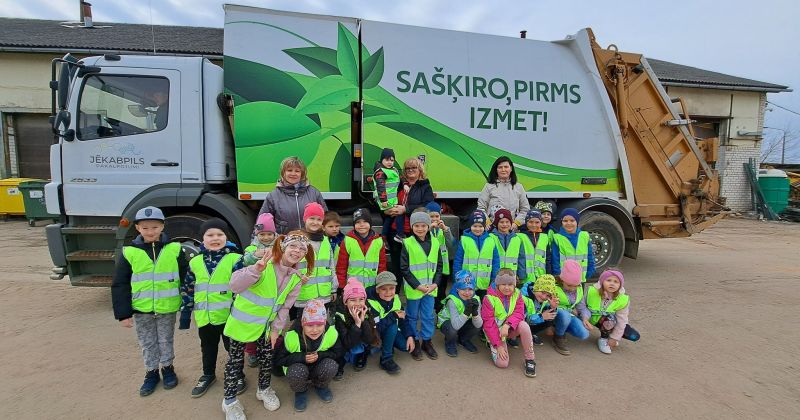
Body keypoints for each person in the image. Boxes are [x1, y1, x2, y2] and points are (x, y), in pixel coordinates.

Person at [220, 231, 314, 419]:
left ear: (305, 254)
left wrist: (276, 330)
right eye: (293, 246)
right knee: (234, 363)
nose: (297, 251)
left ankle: (263, 389)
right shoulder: (265, 265)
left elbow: (285, 307)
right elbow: (234, 286)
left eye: (302, 249)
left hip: (266, 329)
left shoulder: (296, 278)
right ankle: (229, 402)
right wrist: (255, 270)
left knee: (266, 359)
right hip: (241, 325)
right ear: (283, 247)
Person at [111, 206, 187, 397]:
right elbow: (120, 283)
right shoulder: (130, 252)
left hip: (167, 308)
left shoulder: (174, 249)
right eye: (145, 228)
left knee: (165, 340)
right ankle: (151, 373)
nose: (150, 231)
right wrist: (123, 314)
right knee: (148, 342)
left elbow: (186, 277)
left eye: (155, 227)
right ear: (137, 228)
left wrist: (188, 302)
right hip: (141, 309)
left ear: (162, 226)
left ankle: (168, 369)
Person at [179, 218, 244, 398]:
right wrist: (185, 314)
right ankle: (208, 374)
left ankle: (239, 375)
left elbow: (242, 289)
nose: (215, 238)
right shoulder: (195, 262)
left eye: (219, 234)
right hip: (205, 317)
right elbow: (188, 288)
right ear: (203, 238)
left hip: (229, 317)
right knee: (208, 348)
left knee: (233, 348)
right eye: (210, 235)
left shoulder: (235, 259)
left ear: (226, 237)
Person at [274, 299, 343, 412]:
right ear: (303, 324)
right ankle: (300, 391)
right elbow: (279, 360)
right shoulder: (291, 336)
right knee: (295, 371)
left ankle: (320, 385)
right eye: (310, 325)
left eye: (319, 325)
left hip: (318, 366)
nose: (315, 330)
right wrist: (302, 357)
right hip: (299, 368)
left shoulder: (331, 333)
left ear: (324, 323)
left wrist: (320, 355)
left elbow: (338, 353)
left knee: (331, 366)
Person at [400, 211, 442, 360]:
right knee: (412, 316)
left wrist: (435, 284)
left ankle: (427, 341)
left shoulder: (436, 242)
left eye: (423, 225)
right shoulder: (407, 243)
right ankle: (415, 342)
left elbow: (439, 266)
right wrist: (418, 286)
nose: (420, 229)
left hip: (430, 289)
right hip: (415, 290)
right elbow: (404, 268)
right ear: (412, 227)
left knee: (428, 316)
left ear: (429, 226)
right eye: (416, 226)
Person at [480, 269, 537, 377]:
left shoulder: (517, 294)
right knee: (502, 364)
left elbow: (519, 313)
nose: (507, 288)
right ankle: (493, 344)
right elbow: (488, 324)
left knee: (524, 326)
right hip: (496, 334)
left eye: (510, 284)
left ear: (514, 284)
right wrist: (498, 345)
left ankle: (530, 359)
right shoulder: (488, 299)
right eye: (503, 284)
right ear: (497, 284)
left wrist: (507, 325)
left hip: (509, 329)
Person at [258, 156, 327, 235]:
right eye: (289, 170)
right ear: (283, 173)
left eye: (297, 171)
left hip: (311, 240)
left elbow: (326, 218)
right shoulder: (273, 196)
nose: (293, 174)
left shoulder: (314, 193)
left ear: (302, 174)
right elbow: (261, 222)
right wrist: (255, 241)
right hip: (285, 240)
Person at [242, 212, 278, 367]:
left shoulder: (279, 247)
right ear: (257, 234)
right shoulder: (252, 248)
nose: (266, 237)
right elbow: (245, 260)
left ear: (274, 234)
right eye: (262, 234)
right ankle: (251, 351)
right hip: (256, 292)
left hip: (273, 290)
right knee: (253, 323)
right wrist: (256, 254)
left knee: (272, 323)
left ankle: (269, 350)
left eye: (269, 234)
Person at [366, 272, 416, 374]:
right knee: (392, 326)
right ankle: (386, 359)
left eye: (391, 288)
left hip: (387, 330)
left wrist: (410, 336)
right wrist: (393, 316)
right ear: (377, 289)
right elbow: (375, 327)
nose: (388, 292)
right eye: (384, 289)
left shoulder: (396, 299)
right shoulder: (370, 302)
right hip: (375, 333)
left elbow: (404, 320)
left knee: (405, 346)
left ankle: (387, 344)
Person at [292, 203, 336, 317]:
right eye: (312, 218)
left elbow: (331, 266)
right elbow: (288, 266)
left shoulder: (325, 240)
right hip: (304, 297)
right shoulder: (297, 239)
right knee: (302, 325)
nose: (315, 222)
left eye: (319, 219)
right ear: (305, 219)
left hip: (324, 296)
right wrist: (298, 277)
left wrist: (333, 289)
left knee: (322, 325)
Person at [583, 268, 640, 354]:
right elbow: (581, 306)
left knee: (634, 336)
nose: (612, 284)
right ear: (602, 281)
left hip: (608, 322)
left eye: (616, 282)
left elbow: (622, 320)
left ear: (620, 285)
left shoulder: (623, 299)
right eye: (608, 280)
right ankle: (604, 339)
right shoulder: (592, 291)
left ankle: (605, 337)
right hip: (589, 318)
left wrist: (614, 338)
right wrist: (584, 318)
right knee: (609, 320)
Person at [332, 278, 377, 380]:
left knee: (371, 346)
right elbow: (347, 343)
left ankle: (362, 355)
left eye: (361, 299)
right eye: (352, 300)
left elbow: (370, 339)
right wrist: (357, 324)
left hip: (360, 340)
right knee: (340, 347)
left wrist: (363, 321)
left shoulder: (367, 310)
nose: (357, 303)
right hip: (347, 342)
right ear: (345, 302)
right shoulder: (339, 315)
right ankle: (340, 364)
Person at [453, 210, 500, 300]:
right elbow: (458, 261)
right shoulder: (464, 240)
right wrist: (457, 278)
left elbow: (496, 262)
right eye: (475, 226)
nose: (477, 229)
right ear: (470, 226)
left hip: (485, 283)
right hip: (467, 283)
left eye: (480, 226)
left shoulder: (491, 240)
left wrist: (494, 279)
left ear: (484, 227)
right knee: (469, 304)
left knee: (485, 304)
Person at [335, 208, 386, 290]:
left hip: (372, 286)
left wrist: (382, 283)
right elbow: (341, 266)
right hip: (353, 287)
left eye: (365, 221)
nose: (362, 225)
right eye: (358, 222)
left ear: (370, 223)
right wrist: (341, 286)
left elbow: (382, 266)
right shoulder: (347, 241)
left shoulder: (378, 241)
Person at [437, 270, 483, 357]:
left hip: (462, 321)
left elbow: (478, 325)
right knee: (452, 330)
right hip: (448, 322)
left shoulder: (476, 299)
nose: (467, 293)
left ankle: (464, 340)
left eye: (470, 289)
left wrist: (475, 313)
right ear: (457, 288)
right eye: (463, 289)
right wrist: (467, 312)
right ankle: (450, 342)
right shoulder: (452, 300)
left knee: (477, 324)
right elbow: (455, 326)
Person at [477, 156, 530, 230]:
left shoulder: (518, 187)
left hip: (512, 230)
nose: (503, 170)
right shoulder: (489, 186)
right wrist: (487, 222)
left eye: (506, 167)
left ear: (511, 169)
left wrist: (516, 223)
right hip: (493, 230)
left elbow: (525, 209)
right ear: (496, 170)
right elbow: (481, 208)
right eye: (500, 167)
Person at [552, 260, 591, 356]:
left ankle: (559, 328)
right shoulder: (553, 287)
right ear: (562, 279)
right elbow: (545, 304)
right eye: (569, 285)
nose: (572, 288)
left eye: (575, 286)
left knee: (584, 334)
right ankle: (558, 336)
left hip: (569, 315)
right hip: (554, 313)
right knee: (565, 316)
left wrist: (585, 318)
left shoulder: (579, 288)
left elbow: (582, 307)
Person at [551, 208, 596, 282]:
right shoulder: (557, 238)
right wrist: (557, 274)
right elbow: (555, 259)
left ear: (577, 222)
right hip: (565, 279)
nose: (568, 223)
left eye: (572, 220)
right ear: (561, 222)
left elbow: (590, 255)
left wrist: (590, 270)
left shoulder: (584, 236)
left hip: (581, 277)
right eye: (565, 221)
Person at [373, 148, 405, 243]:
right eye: (387, 160)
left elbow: (400, 179)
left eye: (392, 160)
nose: (390, 162)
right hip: (385, 201)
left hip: (391, 200)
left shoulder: (393, 169)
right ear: (382, 160)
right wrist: (383, 200)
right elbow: (380, 186)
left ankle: (384, 237)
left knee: (389, 218)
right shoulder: (380, 172)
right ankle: (399, 234)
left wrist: (405, 184)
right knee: (398, 213)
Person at [427, 202, 453, 312]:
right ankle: (430, 312)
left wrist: (446, 230)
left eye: (437, 216)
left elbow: (451, 244)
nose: (434, 219)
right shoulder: (424, 229)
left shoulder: (444, 230)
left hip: (442, 267)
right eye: (431, 216)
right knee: (430, 292)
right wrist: (428, 229)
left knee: (441, 292)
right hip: (430, 267)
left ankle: (440, 313)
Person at [520, 274, 559, 346]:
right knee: (523, 324)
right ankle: (513, 337)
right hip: (519, 322)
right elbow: (522, 319)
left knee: (550, 315)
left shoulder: (543, 298)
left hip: (531, 320)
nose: (544, 297)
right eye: (543, 292)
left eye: (548, 295)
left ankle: (530, 333)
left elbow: (550, 316)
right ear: (536, 288)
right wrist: (541, 317)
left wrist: (553, 307)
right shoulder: (524, 297)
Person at [490, 208, 526, 282]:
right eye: (501, 222)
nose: (505, 224)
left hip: (512, 276)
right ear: (496, 223)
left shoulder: (517, 239)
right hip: (496, 276)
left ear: (511, 223)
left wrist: (521, 275)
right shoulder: (490, 237)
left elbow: (521, 258)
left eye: (507, 222)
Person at [518, 209, 551, 282]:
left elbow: (548, 258)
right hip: (525, 279)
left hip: (541, 278)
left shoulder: (545, 237)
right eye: (531, 222)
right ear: (526, 222)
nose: (534, 225)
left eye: (537, 222)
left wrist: (548, 275)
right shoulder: (520, 237)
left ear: (541, 223)